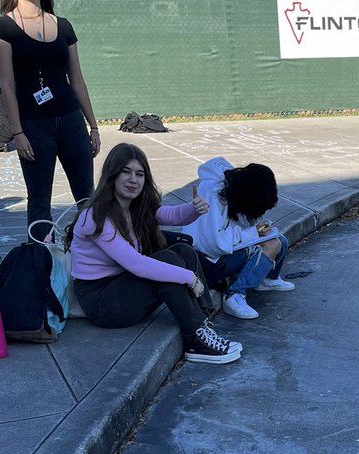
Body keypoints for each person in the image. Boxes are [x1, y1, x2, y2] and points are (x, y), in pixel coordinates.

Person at [67, 143, 242, 364]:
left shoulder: (134, 207)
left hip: (122, 287)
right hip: (102, 302)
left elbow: (172, 215)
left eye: (139, 174)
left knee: (183, 251)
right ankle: (196, 341)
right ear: (112, 174)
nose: (133, 180)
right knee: (167, 262)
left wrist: (194, 208)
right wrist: (189, 277)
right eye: (126, 172)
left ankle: (202, 324)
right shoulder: (96, 216)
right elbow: (136, 264)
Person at [0, 0, 100, 238]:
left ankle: (93, 264)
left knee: (88, 199)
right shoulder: (3, 28)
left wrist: (94, 125)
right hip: (33, 126)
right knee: (40, 203)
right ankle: (40, 268)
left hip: (70, 119)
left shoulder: (63, 26)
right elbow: (7, 85)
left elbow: (76, 79)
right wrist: (18, 132)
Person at [180, 158, 292, 321]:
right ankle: (234, 296)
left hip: (220, 254)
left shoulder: (235, 190)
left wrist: (255, 231)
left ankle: (267, 278)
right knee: (271, 245)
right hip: (207, 262)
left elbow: (234, 229)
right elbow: (213, 244)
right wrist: (252, 234)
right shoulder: (212, 193)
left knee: (280, 240)